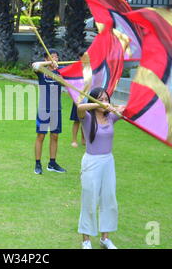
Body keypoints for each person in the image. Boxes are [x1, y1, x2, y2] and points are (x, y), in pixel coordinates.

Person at [76, 87, 125, 249]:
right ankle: (86, 240)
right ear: (94, 100)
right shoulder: (87, 118)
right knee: (89, 200)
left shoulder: (111, 117)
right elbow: (80, 108)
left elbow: (125, 110)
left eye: (106, 98)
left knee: (109, 199)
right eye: (100, 98)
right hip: (91, 163)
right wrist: (97, 105)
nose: (104, 101)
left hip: (108, 162)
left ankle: (105, 238)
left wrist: (116, 108)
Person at [32, 49, 66, 175]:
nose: (55, 59)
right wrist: (48, 64)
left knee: (55, 136)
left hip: (56, 108)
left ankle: (52, 163)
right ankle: (38, 163)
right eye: (52, 57)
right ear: (46, 59)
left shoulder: (60, 71)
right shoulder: (42, 70)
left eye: (56, 57)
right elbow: (34, 65)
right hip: (43, 108)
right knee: (41, 135)